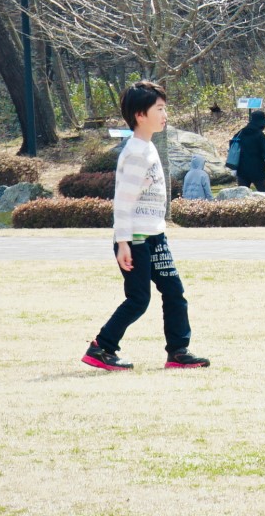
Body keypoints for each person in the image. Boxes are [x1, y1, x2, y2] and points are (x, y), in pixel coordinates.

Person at [83, 81, 210, 371]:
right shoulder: (137, 152)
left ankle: (178, 351)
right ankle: (101, 348)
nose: (165, 115)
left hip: (155, 236)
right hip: (136, 239)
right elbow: (123, 201)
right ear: (141, 114)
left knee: (174, 292)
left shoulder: (147, 147)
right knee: (139, 299)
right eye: (160, 109)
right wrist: (124, 242)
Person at [231, 106, 265, 192]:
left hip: (241, 171)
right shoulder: (261, 136)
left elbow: (232, 146)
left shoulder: (239, 133)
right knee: (263, 195)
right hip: (257, 170)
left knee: (243, 196)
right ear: (262, 124)